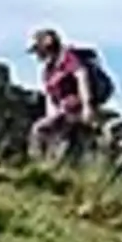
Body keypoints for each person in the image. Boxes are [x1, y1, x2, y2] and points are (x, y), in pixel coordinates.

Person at [26, 27, 101, 161]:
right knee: (58, 143)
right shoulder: (49, 69)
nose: (36, 54)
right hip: (63, 111)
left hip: (74, 109)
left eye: (37, 49)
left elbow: (82, 77)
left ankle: (39, 167)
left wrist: (87, 106)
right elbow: (51, 96)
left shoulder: (67, 58)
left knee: (39, 130)